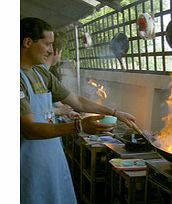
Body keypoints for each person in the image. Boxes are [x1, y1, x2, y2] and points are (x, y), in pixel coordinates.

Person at [20, 17, 136, 204]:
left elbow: (78, 102)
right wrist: (79, 126)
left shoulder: (40, 73)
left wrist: (115, 113)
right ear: (27, 42)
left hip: (51, 159)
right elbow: (29, 129)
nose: (51, 50)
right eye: (47, 44)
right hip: (26, 165)